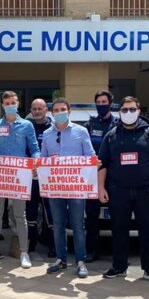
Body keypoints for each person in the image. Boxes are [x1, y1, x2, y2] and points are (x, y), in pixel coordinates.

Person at [97, 96, 149, 284]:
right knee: (119, 230)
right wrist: (101, 188)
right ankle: (119, 267)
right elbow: (102, 163)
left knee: (147, 231)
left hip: (146, 191)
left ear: (139, 111)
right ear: (119, 113)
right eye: (125, 110)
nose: (128, 113)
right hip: (118, 190)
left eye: (132, 109)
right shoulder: (111, 135)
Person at [0, 91, 40, 269]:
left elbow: (34, 148)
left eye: (13, 102)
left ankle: (24, 252)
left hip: (19, 178)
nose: (10, 105)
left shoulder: (27, 125)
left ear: (18, 103)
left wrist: (37, 159)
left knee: (20, 216)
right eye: (7, 103)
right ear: (3, 105)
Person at [41, 98, 95, 278]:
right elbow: (43, 159)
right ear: (52, 113)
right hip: (55, 188)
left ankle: (81, 261)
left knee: (78, 226)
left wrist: (95, 162)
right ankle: (61, 259)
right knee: (58, 225)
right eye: (56, 110)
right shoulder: (48, 134)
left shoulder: (81, 131)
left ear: (69, 111)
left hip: (76, 189)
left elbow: (90, 156)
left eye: (63, 109)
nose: (59, 112)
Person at [85, 89, 117, 262]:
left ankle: (118, 253)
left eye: (105, 102)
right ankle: (92, 250)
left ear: (111, 104)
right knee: (91, 217)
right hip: (93, 177)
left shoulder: (118, 124)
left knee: (118, 217)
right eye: (99, 102)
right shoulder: (89, 125)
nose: (101, 105)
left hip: (114, 178)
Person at [27, 98, 54, 255]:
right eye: (34, 109)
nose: (37, 111)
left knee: (50, 213)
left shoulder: (53, 128)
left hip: (49, 179)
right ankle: (31, 243)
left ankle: (52, 245)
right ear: (31, 111)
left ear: (46, 110)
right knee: (30, 212)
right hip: (30, 178)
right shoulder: (27, 127)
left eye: (40, 108)